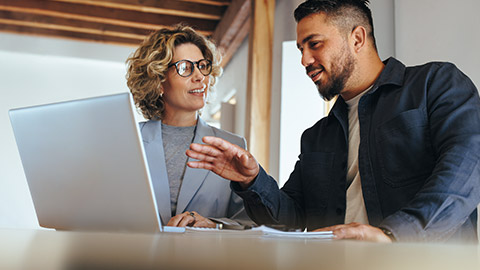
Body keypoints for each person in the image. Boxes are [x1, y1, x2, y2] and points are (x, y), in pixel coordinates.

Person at [185, 0, 480, 242]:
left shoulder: (435, 84)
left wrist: (393, 236)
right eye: (301, 48)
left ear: (357, 38)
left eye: (314, 44)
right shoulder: (316, 136)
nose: (304, 59)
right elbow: (291, 217)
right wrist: (252, 180)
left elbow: (468, 166)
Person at [126, 25, 251, 228]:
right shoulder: (128, 141)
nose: (200, 77)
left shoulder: (232, 145)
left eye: (202, 66)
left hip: (205, 259)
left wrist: (214, 224)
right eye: (185, 68)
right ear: (158, 81)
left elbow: (250, 221)